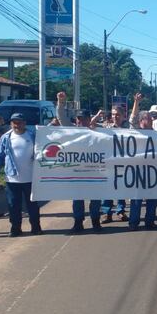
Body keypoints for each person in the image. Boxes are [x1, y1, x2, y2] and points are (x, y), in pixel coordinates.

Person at [56, 91, 102, 233]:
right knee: (77, 198)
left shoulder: (99, 132)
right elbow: (62, 117)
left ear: (90, 119)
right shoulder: (72, 131)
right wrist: (61, 102)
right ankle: (78, 221)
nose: (80, 121)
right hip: (77, 170)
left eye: (84, 119)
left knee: (95, 198)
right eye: (78, 119)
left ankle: (95, 221)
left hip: (94, 171)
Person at [0, 113, 41, 237]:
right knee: (13, 205)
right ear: (11, 124)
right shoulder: (6, 137)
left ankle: (35, 226)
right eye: (14, 122)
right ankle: (15, 228)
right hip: (12, 178)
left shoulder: (33, 135)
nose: (17, 125)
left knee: (33, 205)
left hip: (30, 178)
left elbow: (43, 149)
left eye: (19, 122)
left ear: (24, 123)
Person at [127, 93, 157, 230]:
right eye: (147, 119)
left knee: (153, 199)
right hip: (137, 171)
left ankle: (149, 221)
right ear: (140, 122)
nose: (150, 120)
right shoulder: (135, 132)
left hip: (153, 171)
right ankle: (134, 222)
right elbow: (132, 118)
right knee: (136, 199)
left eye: (151, 118)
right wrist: (136, 102)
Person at [100, 106, 130, 224]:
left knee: (121, 188)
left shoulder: (129, 129)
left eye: (117, 114)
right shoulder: (105, 128)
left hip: (123, 163)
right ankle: (106, 213)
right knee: (107, 188)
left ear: (123, 116)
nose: (115, 117)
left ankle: (120, 211)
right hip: (108, 164)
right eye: (113, 114)